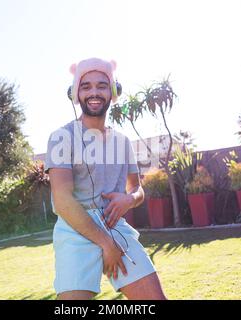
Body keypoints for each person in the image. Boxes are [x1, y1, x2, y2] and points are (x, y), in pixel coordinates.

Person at [44, 57, 167, 300]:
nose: (94, 92)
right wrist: (105, 244)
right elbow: (62, 201)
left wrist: (128, 200)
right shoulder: (61, 137)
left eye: (101, 85)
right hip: (75, 230)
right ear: (75, 94)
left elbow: (137, 189)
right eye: (86, 86)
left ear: (113, 91)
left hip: (115, 227)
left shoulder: (122, 142)